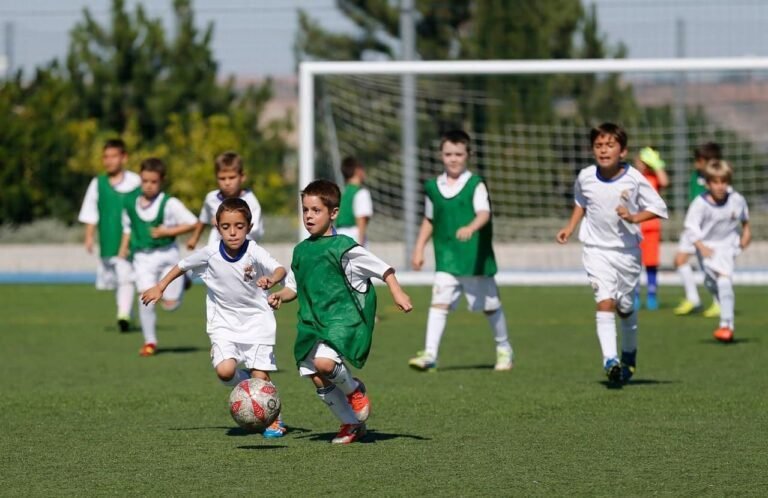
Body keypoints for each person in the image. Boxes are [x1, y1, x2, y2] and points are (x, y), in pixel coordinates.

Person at [268, 180, 412, 445]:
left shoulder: (345, 247)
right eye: (305, 210)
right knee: (315, 375)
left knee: (325, 364)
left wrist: (397, 291)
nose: (309, 216)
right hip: (311, 323)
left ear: (333, 213)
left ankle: (355, 390)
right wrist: (280, 295)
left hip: (341, 320)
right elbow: (293, 287)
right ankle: (351, 424)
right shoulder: (301, 251)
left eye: (316, 210)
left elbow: (384, 268)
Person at [141, 197, 288, 438]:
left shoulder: (254, 250)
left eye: (239, 226)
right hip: (224, 324)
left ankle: (273, 418)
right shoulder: (209, 253)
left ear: (249, 228)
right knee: (225, 372)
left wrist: (272, 279)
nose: (233, 232)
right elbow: (182, 265)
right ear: (217, 227)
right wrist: (160, 286)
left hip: (258, 322)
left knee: (260, 376)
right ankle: (249, 390)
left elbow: (280, 268)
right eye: (226, 227)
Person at [556, 123, 668, 385]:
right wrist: (570, 227)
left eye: (609, 145)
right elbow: (580, 202)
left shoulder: (635, 178)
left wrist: (633, 216)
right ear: (592, 149)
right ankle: (610, 360)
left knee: (626, 309)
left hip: (627, 253)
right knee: (605, 302)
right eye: (598, 146)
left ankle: (629, 354)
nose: (603, 150)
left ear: (623, 151)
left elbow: (659, 207)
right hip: (595, 249)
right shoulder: (585, 176)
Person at [408, 129, 514, 372]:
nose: (453, 158)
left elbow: (484, 214)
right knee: (439, 303)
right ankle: (430, 354)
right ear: (440, 155)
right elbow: (430, 219)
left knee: (490, 306)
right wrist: (418, 249)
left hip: (475, 259)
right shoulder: (434, 187)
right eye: (448, 154)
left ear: (468, 155)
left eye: (458, 153)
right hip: (447, 258)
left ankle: (504, 348)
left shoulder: (475, 184)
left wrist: (471, 227)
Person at [118, 158, 197, 357]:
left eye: (153, 181)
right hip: (142, 258)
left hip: (167, 256)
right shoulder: (130, 202)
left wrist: (168, 231)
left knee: (170, 305)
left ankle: (183, 279)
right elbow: (128, 227)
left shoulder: (169, 203)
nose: (149, 185)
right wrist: (123, 248)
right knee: (146, 298)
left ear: (161, 181)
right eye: (145, 181)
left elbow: (193, 223)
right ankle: (150, 342)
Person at [681, 160, 750, 343]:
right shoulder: (700, 204)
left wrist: (745, 238)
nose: (720, 186)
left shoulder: (737, 199)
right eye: (715, 182)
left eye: (724, 182)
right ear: (708, 183)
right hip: (707, 248)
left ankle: (726, 325)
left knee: (724, 280)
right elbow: (690, 229)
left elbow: (745, 221)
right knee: (711, 283)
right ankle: (723, 313)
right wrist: (702, 247)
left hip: (727, 246)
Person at [78, 138, 141, 332]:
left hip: (132, 239)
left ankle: (123, 313)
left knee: (126, 276)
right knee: (116, 279)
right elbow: (91, 211)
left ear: (124, 157)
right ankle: (126, 313)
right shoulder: (98, 183)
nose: (109, 161)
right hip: (108, 237)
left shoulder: (136, 182)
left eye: (114, 156)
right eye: (106, 157)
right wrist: (89, 236)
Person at [673, 142, 723, 317]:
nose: (696, 163)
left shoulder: (717, 180)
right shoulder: (695, 175)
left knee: (708, 268)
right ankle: (693, 299)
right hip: (692, 227)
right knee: (680, 260)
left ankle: (719, 302)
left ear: (710, 161)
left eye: (699, 160)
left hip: (707, 230)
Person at [186, 151, 265, 250]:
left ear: (242, 177)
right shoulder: (211, 198)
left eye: (232, 177)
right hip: (215, 250)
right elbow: (203, 219)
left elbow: (254, 232)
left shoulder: (251, 202)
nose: (227, 183)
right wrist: (194, 238)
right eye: (222, 178)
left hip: (242, 253)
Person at [633, 147, 669, 310]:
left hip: (652, 227)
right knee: (634, 263)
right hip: (634, 227)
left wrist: (656, 164)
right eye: (639, 161)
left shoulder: (653, 178)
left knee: (651, 263)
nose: (641, 164)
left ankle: (652, 294)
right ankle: (634, 295)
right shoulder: (633, 178)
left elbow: (665, 182)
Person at [336, 156, 373, 245]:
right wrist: (360, 244)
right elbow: (361, 218)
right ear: (358, 170)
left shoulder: (341, 193)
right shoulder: (361, 193)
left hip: (338, 235)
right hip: (353, 236)